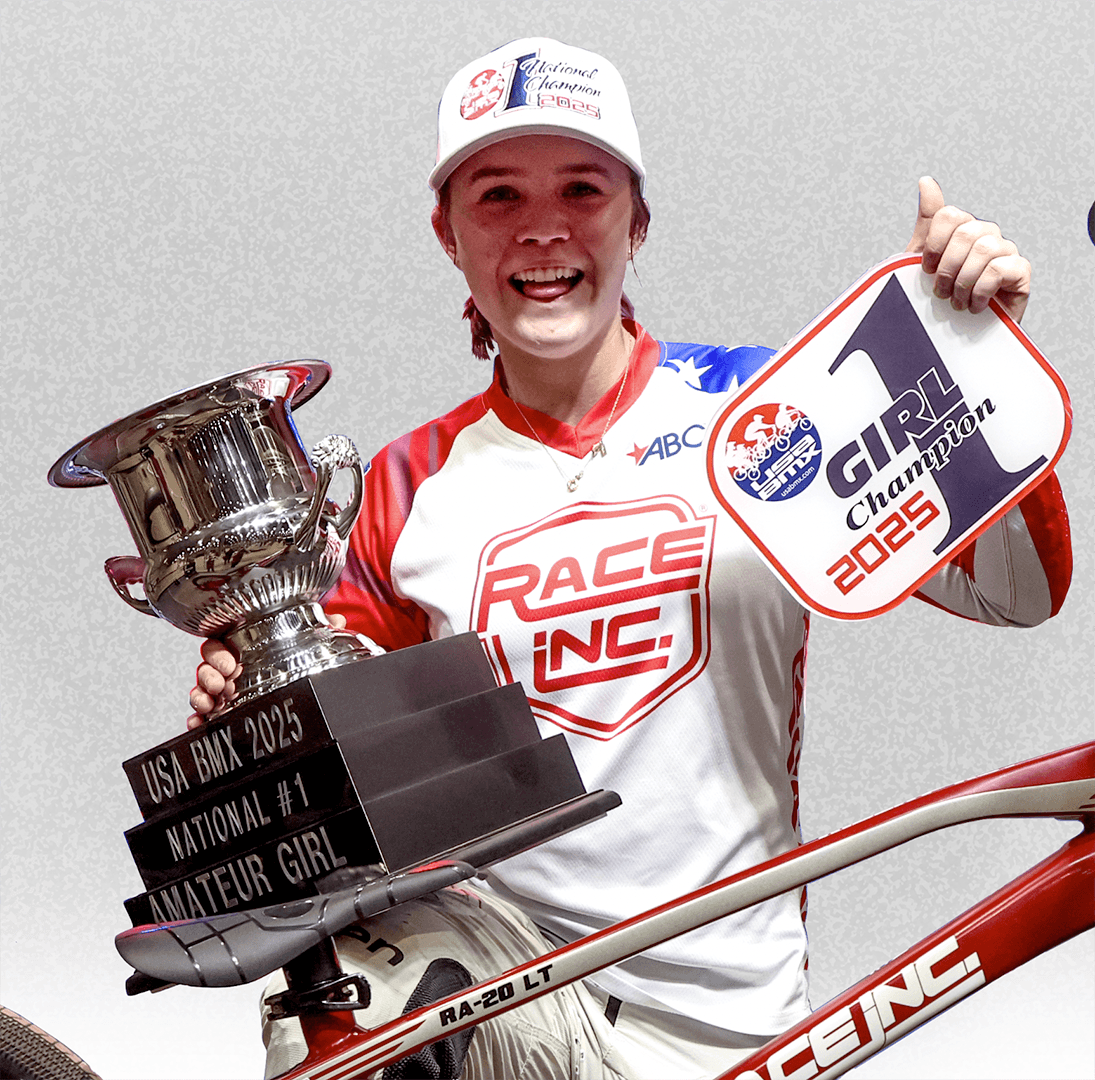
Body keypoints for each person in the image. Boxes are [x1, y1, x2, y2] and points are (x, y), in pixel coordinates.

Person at [187, 37, 1071, 1080]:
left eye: (582, 188)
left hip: (740, 1024)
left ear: (637, 218)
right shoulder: (405, 486)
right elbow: (328, 777)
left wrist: (967, 364)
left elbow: (1017, 590)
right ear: (448, 234)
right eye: (498, 195)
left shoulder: (764, 409)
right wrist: (244, 708)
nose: (542, 227)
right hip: (517, 998)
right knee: (344, 988)